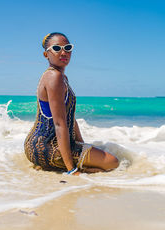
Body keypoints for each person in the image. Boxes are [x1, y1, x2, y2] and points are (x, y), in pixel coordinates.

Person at [24, 32, 119, 175]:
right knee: (113, 162)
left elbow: (70, 118)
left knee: (101, 157)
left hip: (34, 148)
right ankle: (70, 166)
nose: (64, 52)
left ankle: (69, 165)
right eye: (57, 48)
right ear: (46, 54)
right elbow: (59, 124)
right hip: (49, 148)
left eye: (67, 48)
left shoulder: (60, 77)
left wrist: (82, 144)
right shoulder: (54, 76)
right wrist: (72, 170)